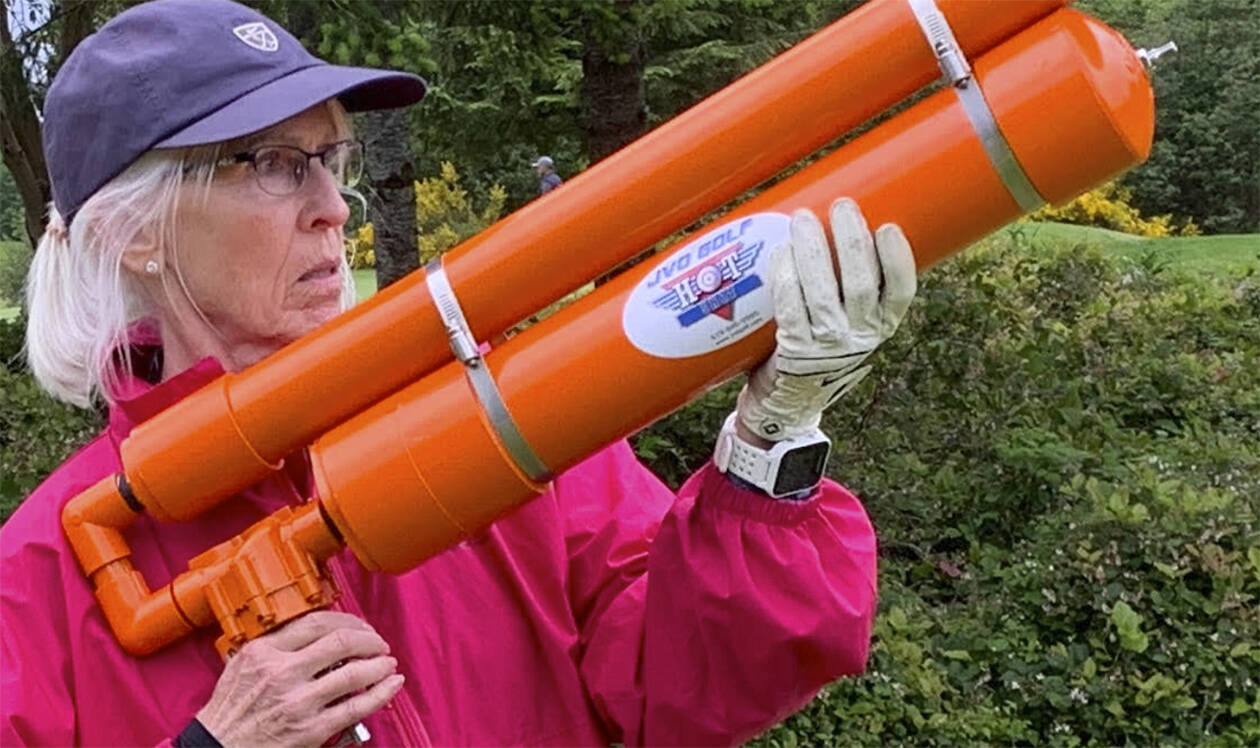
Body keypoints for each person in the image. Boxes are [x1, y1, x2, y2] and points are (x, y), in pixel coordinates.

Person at [0, 1, 917, 746]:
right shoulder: (37, 580)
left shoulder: (498, 420)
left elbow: (673, 691)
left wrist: (771, 439)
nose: (332, 207)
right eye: (275, 165)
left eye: (332, 159)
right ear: (136, 232)